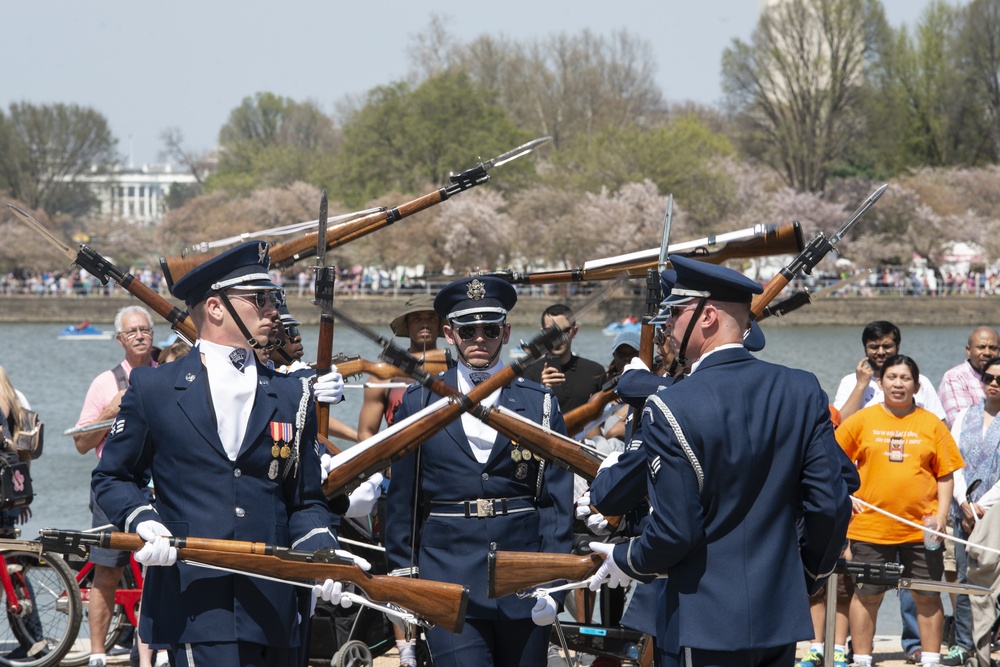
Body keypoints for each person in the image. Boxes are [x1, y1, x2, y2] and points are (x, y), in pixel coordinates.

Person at [91, 241, 358, 667]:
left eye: (273, 298)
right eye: (260, 299)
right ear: (216, 308)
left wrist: (324, 553)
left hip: (276, 604)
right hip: (195, 602)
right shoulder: (155, 389)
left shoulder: (292, 394)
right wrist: (144, 521)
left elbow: (305, 500)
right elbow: (113, 478)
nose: (273, 309)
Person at [586, 254, 855, 667]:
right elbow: (832, 503)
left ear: (707, 317)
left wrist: (627, 559)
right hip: (778, 614)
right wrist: (808, 574)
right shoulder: (801, 389)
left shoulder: (671, 404)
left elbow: (675, 531)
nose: (668, 328)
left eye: (675, 313)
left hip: (702, 618)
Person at [384, 276, 574, 667]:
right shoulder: (418, 403)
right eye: (468, 330)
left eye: (490, 329)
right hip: (448, 576)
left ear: (505, 333)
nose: (479, 339)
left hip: (523, 577)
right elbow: (403, 498)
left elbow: (556, 500)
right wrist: (405, 581)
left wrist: (553, 583)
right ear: (450, 333)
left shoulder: (539, 403)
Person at [836, 354, 964, 667]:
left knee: (927, 594)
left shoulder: (931, 423)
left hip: (921, 530)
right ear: (880, 383)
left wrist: (941, 516)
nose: (898, 384)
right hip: (870, 527)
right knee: (868, 594)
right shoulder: (864, 420)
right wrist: (845, 495)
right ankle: (863, 658)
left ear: (917, 385)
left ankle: (931, 658)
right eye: (892, 377)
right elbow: (831, 458)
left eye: (905, 378)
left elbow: (945, 474)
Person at [356, 295, 448, 667]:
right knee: (398, 565)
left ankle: (444, 638)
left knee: (444, 562)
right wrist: (388, 468)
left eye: (430, 317)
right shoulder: (384, 371)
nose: (423, 324)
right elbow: (366, 433)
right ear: (405, 326)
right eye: (416, 318)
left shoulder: (457, 366)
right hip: (399, 484)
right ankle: (405, 646)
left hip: (448, 484)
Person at [72, 305, 158, 667]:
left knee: (162, 569)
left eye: (145, 330)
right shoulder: (104, 382)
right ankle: (97, 653)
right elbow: (80, 444)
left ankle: (155, 651)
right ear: (120, 339)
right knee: (106, 571)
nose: (140, 336)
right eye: (132, 331)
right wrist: (110, 412)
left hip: (159, 487)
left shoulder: (166, 376)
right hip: (113, 486)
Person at [948, 355, 1000, 667]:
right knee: (967, 579)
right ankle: (965, 644)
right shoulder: (964, 415)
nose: (993, 384)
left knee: (995, 579)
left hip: (995, 514)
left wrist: (983, 506)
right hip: (963, 512)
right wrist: (964, 503)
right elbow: (953, 462)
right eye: (988, 378)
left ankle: (990, 643)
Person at [833, 320, 946, 421]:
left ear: (898, 347)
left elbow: (940, 426)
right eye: (874, 347)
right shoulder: (850, 382)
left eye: (887, 346)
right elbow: (839, 425)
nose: (881, 352)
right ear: (865, 349)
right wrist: (861, 385)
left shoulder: (919, 381)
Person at [521, 303, 606, 413]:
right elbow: (524, 416)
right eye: (550, 332)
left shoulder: (595, 372)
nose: (557, 338)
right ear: (542, 333)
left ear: (574, 332)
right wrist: (541, 390)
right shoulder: (528, 374)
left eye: (564, 331)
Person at [938, 327, 1000, 428]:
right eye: (981, 347)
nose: (987, 353)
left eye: (993, 348)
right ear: (968, 350)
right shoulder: (955, 378)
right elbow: (961, 425)